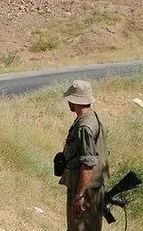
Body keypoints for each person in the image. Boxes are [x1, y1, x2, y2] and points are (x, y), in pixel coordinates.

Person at [59, 80, 109, 231]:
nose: (68, 102)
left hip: (84, 189)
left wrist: (79, 195)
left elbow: (88, 164)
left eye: (70, 99)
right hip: (90, 187)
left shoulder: (84, 127)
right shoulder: (91, 117)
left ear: (75, 101)